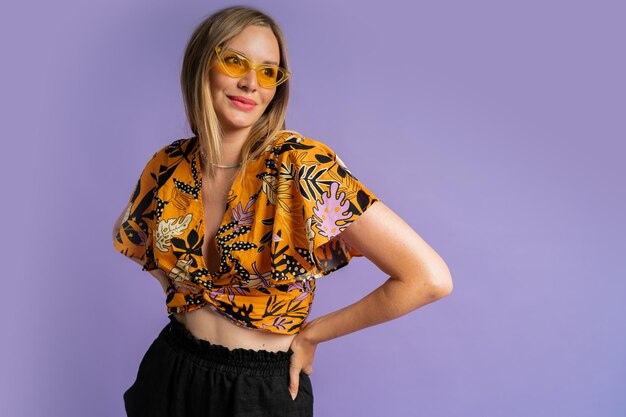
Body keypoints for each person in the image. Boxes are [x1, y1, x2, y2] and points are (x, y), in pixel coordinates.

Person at [112, 5, 453, 417]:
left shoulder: (299, 164)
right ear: (202, 63)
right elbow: (131, 233)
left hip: (260, 391)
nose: (250, 83)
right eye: (234, 60)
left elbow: (428, 279)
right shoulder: (170, 163)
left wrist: (313, 336)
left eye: (268, 71)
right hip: (172, 373)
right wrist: (186, 292)